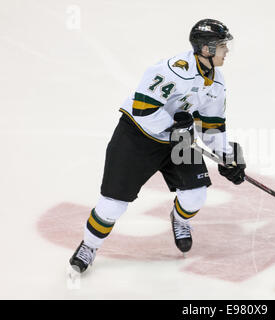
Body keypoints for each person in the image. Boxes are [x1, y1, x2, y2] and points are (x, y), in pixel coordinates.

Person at [69, 19, 246, 273]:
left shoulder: (217, 82)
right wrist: (174, 124)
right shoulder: (172, 71)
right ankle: (89, 245)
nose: (226, 51)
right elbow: (143, 110)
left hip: (177, 140)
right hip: (137, 137)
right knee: (112, 205)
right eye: (222, 46)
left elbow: (212, 124)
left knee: (195, 196)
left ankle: (179, 220)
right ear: (206, 49)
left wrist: (228, 156)